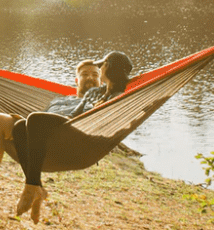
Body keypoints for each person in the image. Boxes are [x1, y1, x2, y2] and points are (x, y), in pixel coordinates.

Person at [0, 53, 132, 222]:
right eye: (84, 74)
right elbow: (40, 119)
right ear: (75, 81)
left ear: (102, 78)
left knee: (8, 120)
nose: (90, 77)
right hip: (38, 135)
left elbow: (118, 88)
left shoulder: (100, 98)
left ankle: (1, 192)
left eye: (95, 74)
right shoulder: (62, 99)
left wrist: (121, 79)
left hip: (66, 143)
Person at [12, 51, 133, 221]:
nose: (99, 69)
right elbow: (77, 110)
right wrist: (66, 119)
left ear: (110, 69)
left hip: (84, 136)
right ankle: (36, 187)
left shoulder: (118, 96)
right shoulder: (95, 92)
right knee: (18, 127)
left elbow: (116, 118)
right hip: (73, 124)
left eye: (102, 65)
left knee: (34, 119)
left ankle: (30, 187)